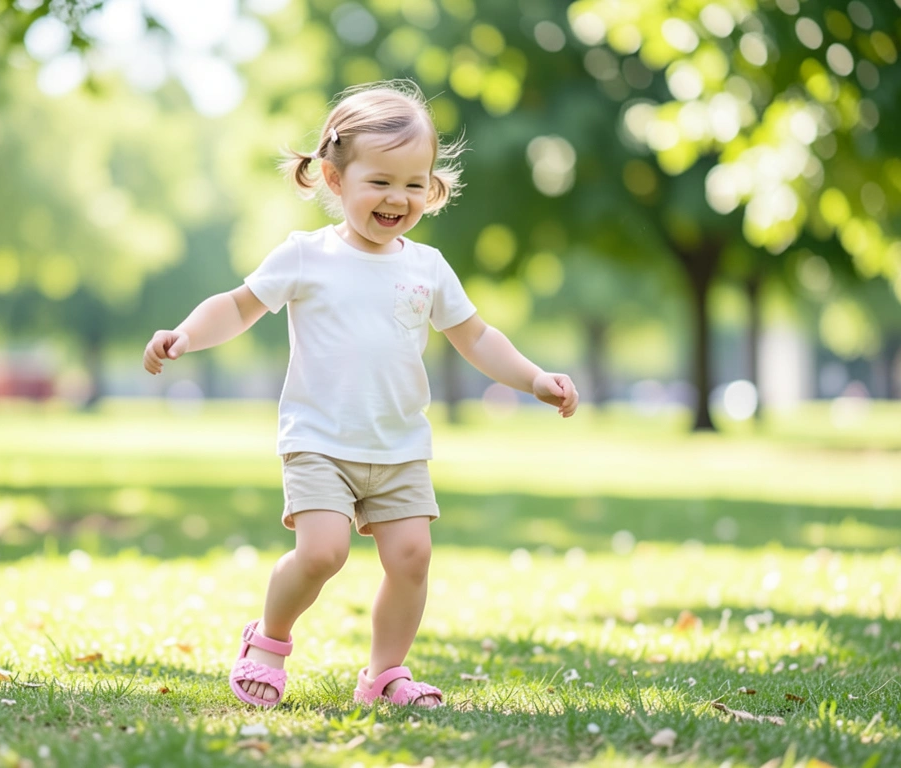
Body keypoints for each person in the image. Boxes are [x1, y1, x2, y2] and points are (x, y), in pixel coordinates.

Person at [143, 80, 578, 709]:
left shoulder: (426, 267)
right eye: (380, 181)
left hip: (398, 445)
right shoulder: (306, 257)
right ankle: (268, 641)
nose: (397, 198)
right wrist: (184, 334)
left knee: (412, 558)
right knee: (322, 553)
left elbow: (478, 338)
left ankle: (384, 674)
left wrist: (535, 377)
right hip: (320, 439)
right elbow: (237, 308)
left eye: (413, 184)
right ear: (333, 177)